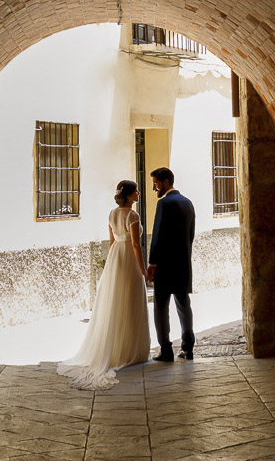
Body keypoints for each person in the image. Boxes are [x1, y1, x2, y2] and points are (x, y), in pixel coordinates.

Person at [57, 180, 150, 389]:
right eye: (136, 191)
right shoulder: (132, 216)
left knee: (115, 301)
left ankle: (118, 349)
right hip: (128, 259)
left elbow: (112, 242)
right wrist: (142, 269)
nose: (139, 193)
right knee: (131, 301)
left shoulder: (111, 214)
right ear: (129, 194)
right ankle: (130, 351)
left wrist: (111, 266)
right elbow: (135, 244)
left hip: (116, 258)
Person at [146, 167, 196, 361]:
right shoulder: (188, 203)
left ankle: (166, 349)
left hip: (165, 265)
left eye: (156, 184)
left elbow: (157, 235)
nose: (154, 188)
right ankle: (188, 347)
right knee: (184, 305)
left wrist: (153, 263)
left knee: (160, 306)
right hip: (183, 263)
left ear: (166, 182)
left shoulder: (164, 203)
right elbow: (190, 235)